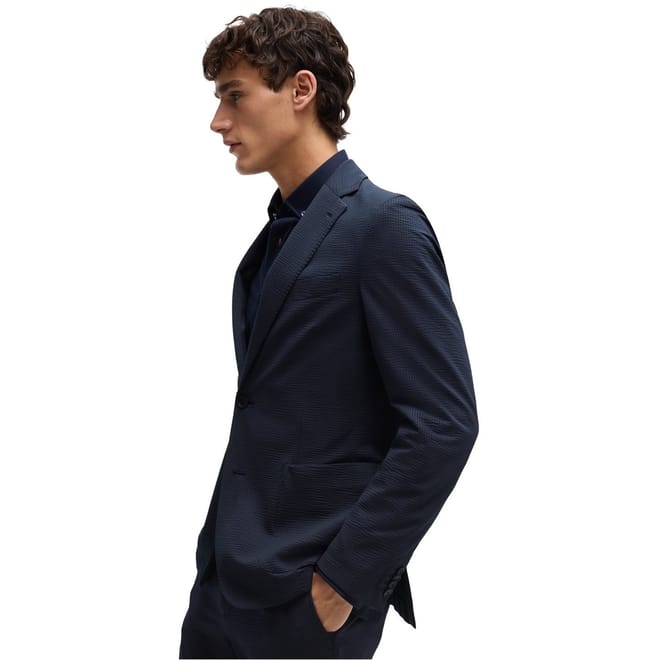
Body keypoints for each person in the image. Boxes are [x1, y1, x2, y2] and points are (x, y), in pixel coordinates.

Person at [179, 7, 479, 659]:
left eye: (234, 96)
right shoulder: (274, 238)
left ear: (301, 90)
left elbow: (444, 424)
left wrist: (345, 579)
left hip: (308, 598)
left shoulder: (384, 227)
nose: (218, 121)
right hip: (225, 585)